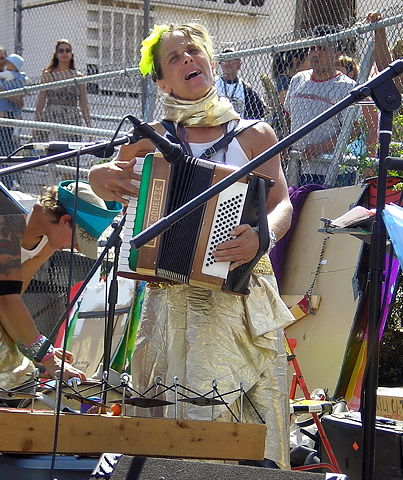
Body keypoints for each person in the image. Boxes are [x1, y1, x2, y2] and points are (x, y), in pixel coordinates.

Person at [89, 23, 295, 470]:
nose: (188, 60)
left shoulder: (255, 134)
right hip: (171, 295)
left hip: (239, 288)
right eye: (175, 58)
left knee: (239, 402)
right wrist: (98, 177)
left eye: (194, 52)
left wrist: (264, 235)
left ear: (211, 62)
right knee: (176, 408)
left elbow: (282, 202)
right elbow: (109, 181)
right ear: (162, 82)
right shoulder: (149, 138)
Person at [0, 180, 122, 390]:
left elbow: (12, 296)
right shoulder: (9, 219)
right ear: (65, 220)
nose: (77, 248)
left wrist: (37, 348)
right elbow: (6, 300)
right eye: (79, 240)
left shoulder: (46, 241)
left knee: (19, 371)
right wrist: (46, 356)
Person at [284, 25, 378, 186]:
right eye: (312, 48)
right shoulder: (298, 80)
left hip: (329, 169)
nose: (315, 53)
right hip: (295, 165)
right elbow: (287, 116)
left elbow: (354, 129)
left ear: (337, 54)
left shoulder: (347, 88)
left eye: (322, 49)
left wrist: (322, 147)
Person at [34, 40, 91, 142]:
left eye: (67, 51)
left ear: (71, 54)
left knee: (71, 151)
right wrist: (36, 123)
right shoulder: (48, 75)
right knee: (55, 148)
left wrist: (89, 125)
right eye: (61, 51)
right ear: (56, 54)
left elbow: (83, 102)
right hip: (53, 116)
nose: (64, 53)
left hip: (72, 117)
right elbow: (41, 101)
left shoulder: (78, 76)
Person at [215, 48, 266, 120]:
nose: (227, 63)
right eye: (224, 60)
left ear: (239, 65)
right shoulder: (213, 84)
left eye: (231, 59)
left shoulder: (246, 88)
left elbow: (258, 113)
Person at [0, 52, 26, 159]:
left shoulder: (9, 75)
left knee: (6, 147)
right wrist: (14, 98)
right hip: (7, 108)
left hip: (7, 111)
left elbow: (21, 100)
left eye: (3, 58)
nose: (4, 62)